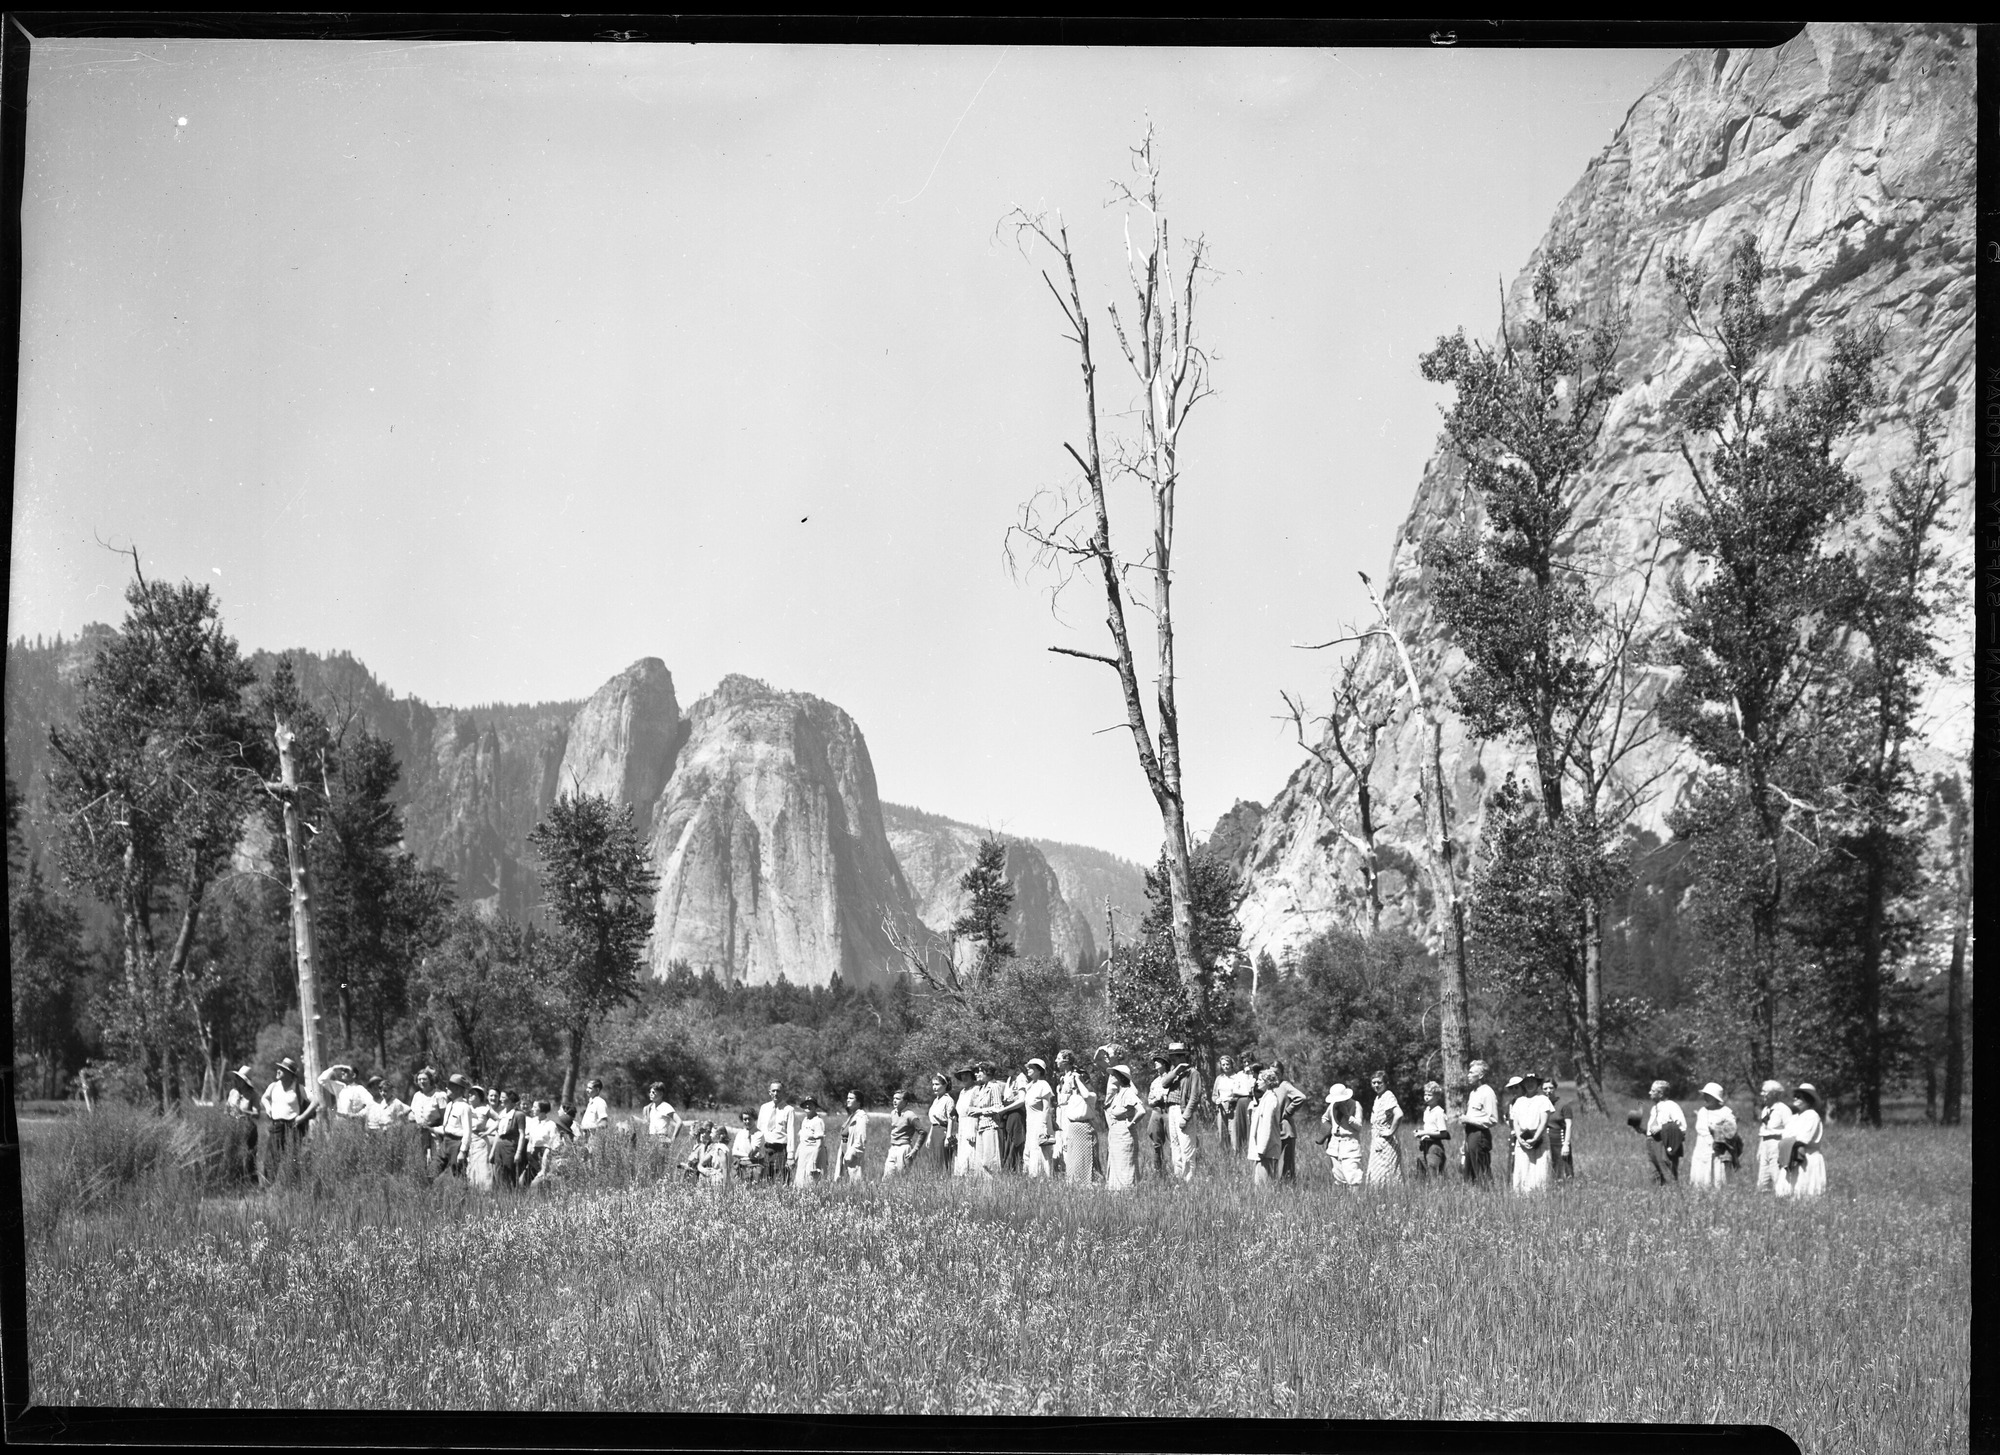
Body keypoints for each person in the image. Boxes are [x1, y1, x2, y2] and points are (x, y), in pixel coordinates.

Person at [1150, 1043, 1197, 1182]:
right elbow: (1164, 1083)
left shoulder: (1193, 1073)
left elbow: (1194, 1097)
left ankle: (1189, 1180)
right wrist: (1176, 1070)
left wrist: (1186, 1117)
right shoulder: (1174, 1073)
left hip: (1183, 1111)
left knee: (1186, 1148)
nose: (1172, 1061)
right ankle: (1178, 1178)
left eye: (1174, 1058)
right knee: (1175, 1147)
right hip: (1172, 1110)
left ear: (1182, 1057)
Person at [259, 1057, 309, 1184]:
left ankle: (292, 1186)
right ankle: (268, 1186)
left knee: (293, 1157)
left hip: (294, 1127)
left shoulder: (299, 1088)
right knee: (271, 1157)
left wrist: (303, 1117)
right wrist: (268, 1107)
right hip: (276, 1126)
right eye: (279, 1068)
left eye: (282, 1069)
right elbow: (264, 1098)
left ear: (289, 1074)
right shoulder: (273, 1086)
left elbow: (316, 1101)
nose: (278, 1070)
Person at [1776, 1083, 1826, 1201]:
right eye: (1795, 1096)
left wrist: (1791, 1140)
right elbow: (1785, 1136)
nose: (1795, 1098)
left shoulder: (1812, 1116)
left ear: (1808, 1099)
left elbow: (1804, 1138)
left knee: (1806, 1191)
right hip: (1791, 1157)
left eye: (1799, 1096)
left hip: (1807, 1158)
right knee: (1789, 1192)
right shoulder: (1794, 1117)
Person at [1055, 1050, 1098, 1186]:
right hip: (1062, 1112)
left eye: (1059, 1059)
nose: (1056, 1061)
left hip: (1072, 1113)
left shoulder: (1075, 1076)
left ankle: (1077, 1176)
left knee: (1070, 1145)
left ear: (1066, 1060)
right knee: (1061, 1143)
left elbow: (1084, 1094)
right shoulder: (1062, 1078)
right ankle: (1067, 1174)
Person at [1509, 1072, 1553, 1194]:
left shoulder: (1543, 1100)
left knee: (1540, 1170)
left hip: (1539, 1139)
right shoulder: (1519, 1101)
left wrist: (1535, 1138)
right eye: (1527, 1082)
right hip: (1522, 1139)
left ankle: (1540, 1195)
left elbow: (1544, 1122)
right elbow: (1515, 1122)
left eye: (1532, 1081)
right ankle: (1522, 1196)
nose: (1530, 1084)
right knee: (1523, 1168)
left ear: (1537, 1084)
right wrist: (1520, 1139)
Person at [1690, 1082, 1738, 1191]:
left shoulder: (1726, 1112)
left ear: (1715, 1097)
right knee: (1702, 1170)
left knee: (1718, 1171)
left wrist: (1716, 1129)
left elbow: (1732, 1130)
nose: (1705, 1097)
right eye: (1705, 1095)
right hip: (1702, 1146)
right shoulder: (1702, 1111)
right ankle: (1702, 1190)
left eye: (1709, 1095)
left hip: (1719, 1147)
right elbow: (1701, 1128)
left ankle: (1718, 1191)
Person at [1103, 1064, 1142, 1190]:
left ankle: (1127, 1191)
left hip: (1125, 1134)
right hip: (1116, 1133)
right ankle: (1116, 1191)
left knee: (1125, 1165)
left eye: (1114, 1075)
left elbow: (1141, 1111)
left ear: (1120, 1077)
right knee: (1116, 1164)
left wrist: (1132, 1123)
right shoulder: (1118, 1094)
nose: (1111, 1077)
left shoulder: (1128, 1092)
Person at [1641, 1080, 1686, 1185]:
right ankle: (1657, 1194)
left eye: (1653, 1091)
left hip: (1664, 1143)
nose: (1649, 1093)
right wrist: (1642, 1130)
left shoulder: (1671, 1106)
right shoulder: (1654, 1108)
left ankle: (1674, 1193)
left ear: (1660, 1094)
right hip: (1651, 1143)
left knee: (1668, 1172)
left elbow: (1681, 1126)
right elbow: (1653, 1129)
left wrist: (1661, 1128)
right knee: (1654, 1174)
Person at [1460, 1061, 1498, 1185]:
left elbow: (1492, 1119)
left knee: (1482, 1172)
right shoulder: (1473, 1093)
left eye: (1471, 1073)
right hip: (1470, 1134)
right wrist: (1465, 1141)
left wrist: (1469, 1120)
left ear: (1481, 1075)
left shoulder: (1487, 1092)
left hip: (1480, 1135)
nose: (1468, 1075)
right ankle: (1473, 1195)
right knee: (1468, 1173)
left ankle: (1487, 1194)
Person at [1321, 1082, 1364, 1186]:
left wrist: (1347, 1115)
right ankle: (1342, 1196)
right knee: (1338, 1177)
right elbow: (1324, 1118)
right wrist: (1328, 1130)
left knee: (1353, 1177)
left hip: (1350, 1143)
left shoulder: (1355, 1105)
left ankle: (1356, 1196)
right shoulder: (1332, 1105)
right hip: (1335, 1145)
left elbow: (1359, 1127)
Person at [1366, 1070, 1403, 1185]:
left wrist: (1390, 1131)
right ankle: (1379, 1195)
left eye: (1379, 1082)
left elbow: (1399, 1114)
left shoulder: (1388, 1095)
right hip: (1377, 1141)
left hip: (1386, 1142)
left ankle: (1391, 1194)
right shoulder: (1379, 1097)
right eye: (1374, 1083)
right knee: (1376, 1175)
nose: (1376, 1085)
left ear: (1386, 1083)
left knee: (1387, 1173)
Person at [1021, 1059, 1057, 1179]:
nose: (1028, 1069)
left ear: (1039, 1070)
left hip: (1040, 1122)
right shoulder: (1030, 1086)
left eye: (1032, 1067)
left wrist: (1044, 1125)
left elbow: (1047, 1107)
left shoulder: (1043, 1085)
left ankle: (1043, 1177)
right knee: (1031, 1149)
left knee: (1040, 1150)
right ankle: (1032, 1176)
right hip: (1030, 1123)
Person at [434, 1073, 474, 1179]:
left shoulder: (464, 1107)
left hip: (456, 1143)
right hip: (446, 1141)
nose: (447, 1088)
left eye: (450, 1086)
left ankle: (461, 1189)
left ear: (458, 1089)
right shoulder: (449, 1105)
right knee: (434, 1168)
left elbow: (467, 1132)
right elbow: (446, 1127)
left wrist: (462, 1151)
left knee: (457, 1172)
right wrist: (431, 1128)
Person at [1246, 1068, 1282, 1187]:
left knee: (1264, 1185)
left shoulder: (1271, 1099)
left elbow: (1267, 1125)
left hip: (1267, 1149)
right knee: (1259, 1183)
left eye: (1260, 1079)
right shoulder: (1265, 1098)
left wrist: (1262, 1149)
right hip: (1264, 1149)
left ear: (1267, 1082)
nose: (1257, 1082)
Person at [756, 1082, 797, 1185]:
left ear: (783, 1093)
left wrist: (791, 1156)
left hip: (780, 1149)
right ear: (769, 1092)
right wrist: (757, 1148)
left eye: (778, 1091)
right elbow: (759, 1130)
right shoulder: (764, 1108)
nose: (776, 1093)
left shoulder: (789, 1110)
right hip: (765, 1148)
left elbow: (791, 1134)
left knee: (781, 1180)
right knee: (764, 1180)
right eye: (773, 1091)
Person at [1272, 1062, 1306, 1184]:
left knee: (1287, 1164)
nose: (1274, 1076)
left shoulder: (1285, 1085)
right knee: (1274, 1163)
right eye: (1272, 1073)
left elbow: (1301, 1097)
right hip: (1274, 1130)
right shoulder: (1271, 1087)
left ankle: (1289, 1187)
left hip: (1286, 1131)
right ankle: (1276, 1186)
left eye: (1277, 1073)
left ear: (1282, 1074)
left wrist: (1288, 1111)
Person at [1755, 1080, 1791, 1194]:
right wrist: (1760, 1149)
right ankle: (1763, 1198)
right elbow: (1763, 1130)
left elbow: (1790, 1130)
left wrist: (1785, 1151)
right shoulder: (1765, 1110)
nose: (1762, 1094)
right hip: (1765, 1145)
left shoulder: (1783, 1109)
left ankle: (1780, 1197)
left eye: (1765, 1092)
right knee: (1763, 1177)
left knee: (1776, 1174)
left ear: (1774, 1094)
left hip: (1777, 1144)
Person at [223, 1064, 259, 1179]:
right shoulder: (233, 1092)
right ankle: (235, 1178)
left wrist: (243, 1112)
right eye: (237, 1078)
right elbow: (227, 1109)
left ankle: (250, 1180)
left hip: (248, 1128)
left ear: (245, 1081)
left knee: (249, 1155)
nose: (237, 1080)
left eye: (239, 1078)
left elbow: (257, 1113)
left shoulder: (253, 1095)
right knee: (232, 1153)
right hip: (233, 1127)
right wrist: (229, 1115)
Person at [883, 1090, 924, 1177]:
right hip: (893, 1148)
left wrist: (915, 1149)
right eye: (894, 1098)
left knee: (902, 1176)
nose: (894, 1101)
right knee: (887, 1176)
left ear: (905, 1101)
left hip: (904, 1148)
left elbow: (923, 1132)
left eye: (898, 1099)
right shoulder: (893, 1113)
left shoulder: (910, 1115)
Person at [1415, 1081, 1451, 1180]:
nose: (1426, 1097)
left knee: (1433, 1173)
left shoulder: (1439, 1112)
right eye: (1425, 1094)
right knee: (1421, 1172)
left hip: (1434, 1146)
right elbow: (1430, 1128)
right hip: (1425, 1145)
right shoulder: (1427, 1111)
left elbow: (1443, 1133)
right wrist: (1420, 1133)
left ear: (1437, 1097)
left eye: (1429, 1095)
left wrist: (1425, 1133)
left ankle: (1436, 1189)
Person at [408, 1067, 445, 1165]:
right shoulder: (417, 1096)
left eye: (424, 1079)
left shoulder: (439, 1095)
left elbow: (444, 1117)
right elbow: (412, 1113)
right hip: (420, 1133)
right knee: (420, 1160)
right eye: (419, 1079)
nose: (422, 1081)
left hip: (435, 1134)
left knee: (436, 1160)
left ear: (431, 1080)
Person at [490, 1090, 524, 1190]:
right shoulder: (502, 1114)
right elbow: (498, 1132)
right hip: (499, 1147)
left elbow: (522, 1134)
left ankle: (511, 1195)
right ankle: (500, 1195)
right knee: (499, 1173)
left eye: (503, 1097)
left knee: (510, 1174)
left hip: (510, 1147)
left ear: (510, 1100)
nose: (500, 1099)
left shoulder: (518, 1115)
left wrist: (518, 1152)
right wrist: (492, 1152)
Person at [1000, 1063, 1029, 1174]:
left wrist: (1006, 1109)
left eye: (1008, 1068)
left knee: (1016, 1138)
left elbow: (1021, 1099)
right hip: (1008, 1112)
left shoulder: (1021, 1078)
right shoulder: (1009, 1079)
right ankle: (1008, 1166)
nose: (1006, 1071)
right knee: (1008, 1138)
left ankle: (1016, 1166)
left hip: (1017, 1112)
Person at [465, 1086, 496, 1191]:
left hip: (480, 1142)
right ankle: (472, 1192)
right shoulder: (466, 1108)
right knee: (470, 1169)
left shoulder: (485, 1109)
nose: (470, 1095)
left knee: (482, 1169)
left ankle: (485, 1192)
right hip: (468, 1141)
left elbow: (499, 1120)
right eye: (469, 1093)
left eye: (473, 1094)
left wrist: (488, 1131)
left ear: (479, 1097)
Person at [1211, 1055, 1244, 1154]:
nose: (1225, 1067)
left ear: (1231, 1065)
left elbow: (1241, 1093)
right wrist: (1217, 1100)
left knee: (1233, 1133)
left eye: (1227, 1064)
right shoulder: (1219, 1078)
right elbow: (1214, 1095)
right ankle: (1224, 1155)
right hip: (1221, 1109)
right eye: (1223, 1065)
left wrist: (1232, 1100)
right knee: (1222, 1133)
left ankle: (1236, 1154)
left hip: (1233, 1108)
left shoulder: (1237, 1077)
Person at [953, 1067, 981, 1177]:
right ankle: (962, 1176)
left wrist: (973, 1129)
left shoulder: (976, 1090)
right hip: (962, 1125)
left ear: (972, 1076)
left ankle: (972, 1177)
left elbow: (976, 1110)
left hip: (971, 1123)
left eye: (967, 1075)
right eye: (962, 1075)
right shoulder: (962, 1092)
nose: (964, 1077)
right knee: (962, 1152)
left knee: (970, 1152)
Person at [793, 1096, 827, 1186]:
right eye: (806, 1104)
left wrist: (814, 1161)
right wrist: (795, 1157)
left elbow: (819, 1144)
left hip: (813, 1156)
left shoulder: (818, 1121)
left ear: (815, 1107)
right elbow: (802, 1141)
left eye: (811, 1104)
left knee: (811, 1180)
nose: (808, 1106)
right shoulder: (805, 1120)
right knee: (800, 1180)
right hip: (803, 1155)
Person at [1547, 1077, 1576, 1179]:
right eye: (1545, 1088)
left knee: (1564, 1169)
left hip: (1560, 1140)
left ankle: (1567, 1186)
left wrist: (1566, 1144)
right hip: (1546, 1142)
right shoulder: (1541, 1105)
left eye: (1551, 1088)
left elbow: (1569, 1125)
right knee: (1550, 1169)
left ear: (1555, 1088)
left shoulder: (1563, 1105)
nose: (1548, 1091)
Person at [926, 1074, 956, 1175]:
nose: (934, 1087)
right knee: (933, 1159)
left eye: (937, 1084)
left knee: (942, 1159)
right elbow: (933, 1121)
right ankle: (934, 1178)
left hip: (943, 1131)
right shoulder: (936, 1100)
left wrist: (948, 1137)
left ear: (944, 1085)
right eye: (933, 1084)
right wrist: (929, 1137)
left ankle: (943, 1178)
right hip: (934, 1131)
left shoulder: (948, 1100)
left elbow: (951, 1119)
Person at [837, 1091, 870, 1180]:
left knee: (854, 1181)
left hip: (852, 1157)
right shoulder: (852, 1116)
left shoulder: (861, 1116)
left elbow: (861, 1139)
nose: (848, 1100)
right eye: (848, 1098)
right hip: (845, 1153)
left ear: (859, 1102)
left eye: (851, 1098)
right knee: (844, 1181)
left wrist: (851, 1154)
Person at [577, 1079, 610, 1155]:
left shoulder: (600, 1102)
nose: (587, 1090)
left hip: (594, 1139)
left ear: (597, 1090)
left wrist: (588, 1128)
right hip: (587, 1139)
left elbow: (604, 1123)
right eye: (587, 1087)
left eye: (590, 1088)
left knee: (593, 1159)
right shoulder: (591, 1102)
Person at [731, 1111, 759, 1180]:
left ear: (754, 1119)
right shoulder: (740, 1133)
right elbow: (734, 1152)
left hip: (752, 1165)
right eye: (745, 1119)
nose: (747, 1121)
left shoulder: (758, 1134)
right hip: (740, 1165)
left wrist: (744, 1154)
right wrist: (747, 1155)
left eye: (749, 1119)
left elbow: (753, 1153)